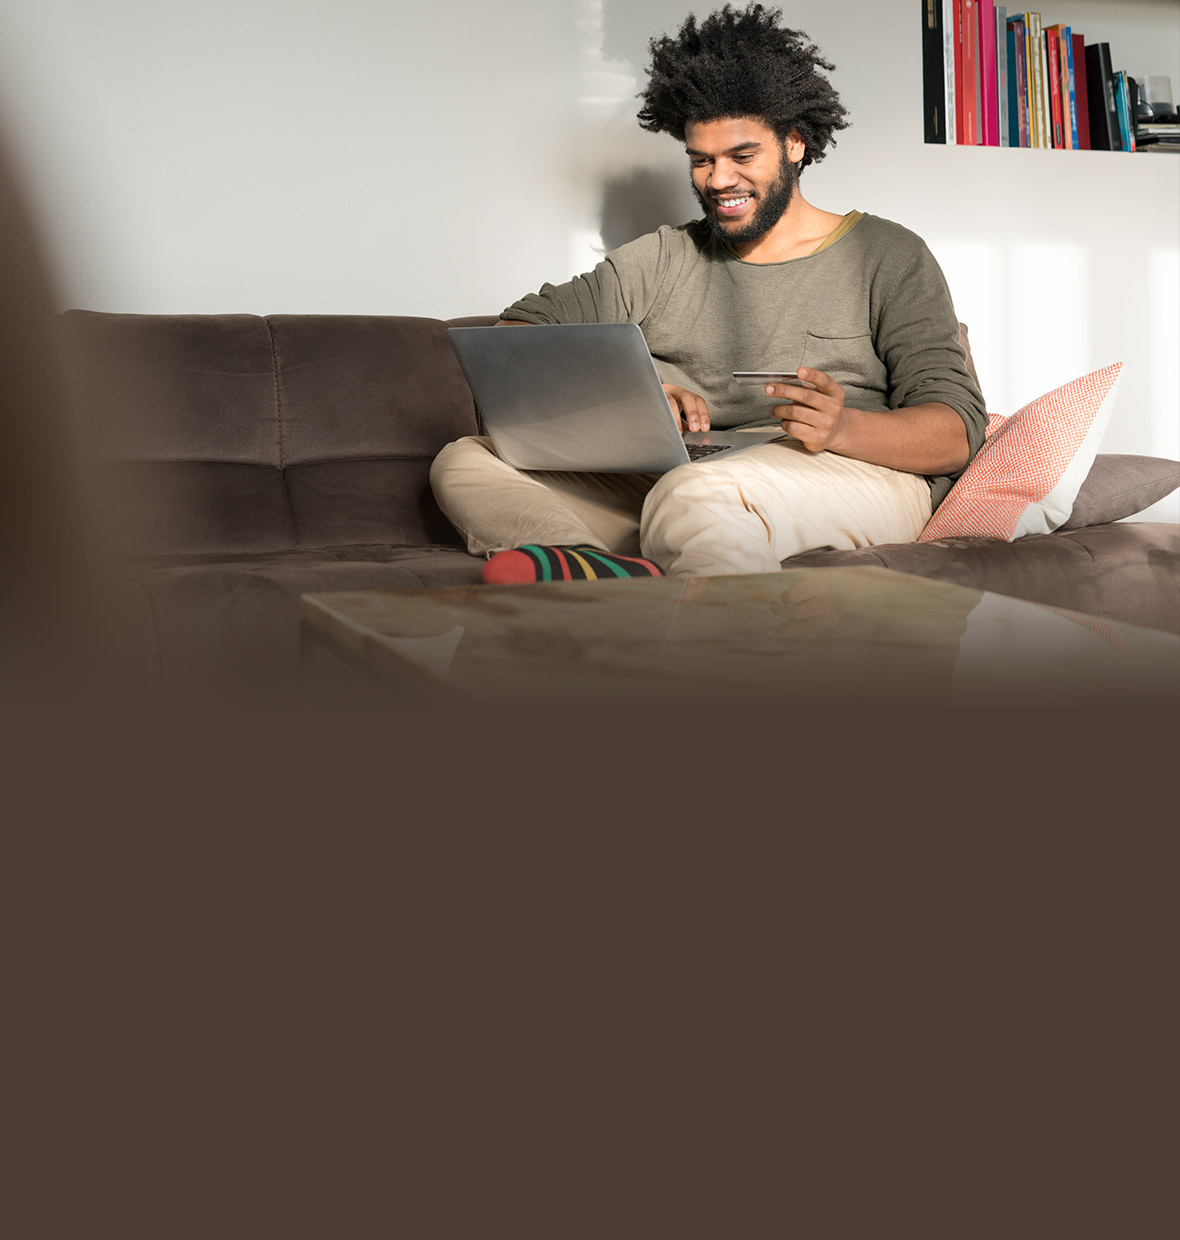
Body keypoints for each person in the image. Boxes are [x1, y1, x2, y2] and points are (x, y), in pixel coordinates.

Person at [430, 3, 987, 585]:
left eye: (742, 157)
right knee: (465, 459)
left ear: (795, 143)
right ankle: (592, 566)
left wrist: (843, 427)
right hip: (688, 477)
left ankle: (718, 663)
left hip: (847, 470)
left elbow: (954, 431)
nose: (719, 180)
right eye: (702, 161)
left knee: (694, 494)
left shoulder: (888, 254)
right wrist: (637, 394)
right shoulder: (665, 256)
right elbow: (517, 336)